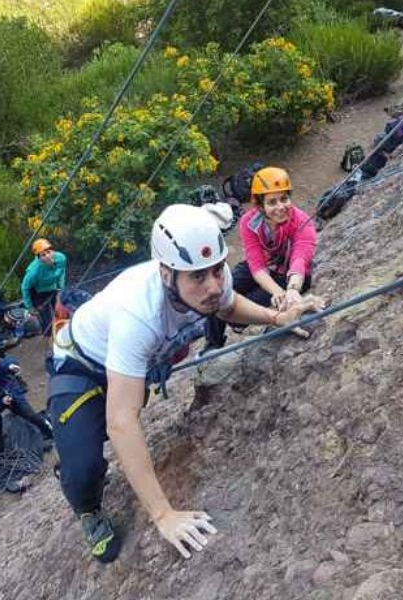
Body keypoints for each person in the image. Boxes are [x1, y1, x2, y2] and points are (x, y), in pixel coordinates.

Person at [46, 204, 324, 563]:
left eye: (215, 271)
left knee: (95, 431)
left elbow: (227, 306)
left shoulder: (205, 276)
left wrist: (276, 317)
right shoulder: (138, 314)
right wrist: (163, 515)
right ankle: (86, 506)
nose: (212, 285)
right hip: (81, 364)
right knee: (84, 466)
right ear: (166, 274)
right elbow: (122, 421)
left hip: (128, 364)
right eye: (198, 277)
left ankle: (76, 443)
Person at [206, 166, 318, 348]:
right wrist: (277, 292)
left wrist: (291, 289)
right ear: (260, 206)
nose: (281, 207)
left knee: (239, 317)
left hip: (288, 274)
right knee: (216, 291)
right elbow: (256, 264)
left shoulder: (302, 222)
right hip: (261, 268)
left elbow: (300, 258)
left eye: (284, 199)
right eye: (272, 202)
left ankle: (246, 322)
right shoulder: (249, 222)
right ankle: (213, 343)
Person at [22, 238, 68, 336]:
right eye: (43, 255)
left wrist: (60, 288)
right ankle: (49, 336)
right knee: (46, 318)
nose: (47, 256)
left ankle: (64, 332)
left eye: (48, 252)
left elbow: (61, 272)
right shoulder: (34, 271)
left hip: (54, 288)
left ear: (53, 250)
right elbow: (25, 288)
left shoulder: (61, 258)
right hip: (39, 292)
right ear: (39, 257)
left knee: (61, 310)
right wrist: (29, 307)